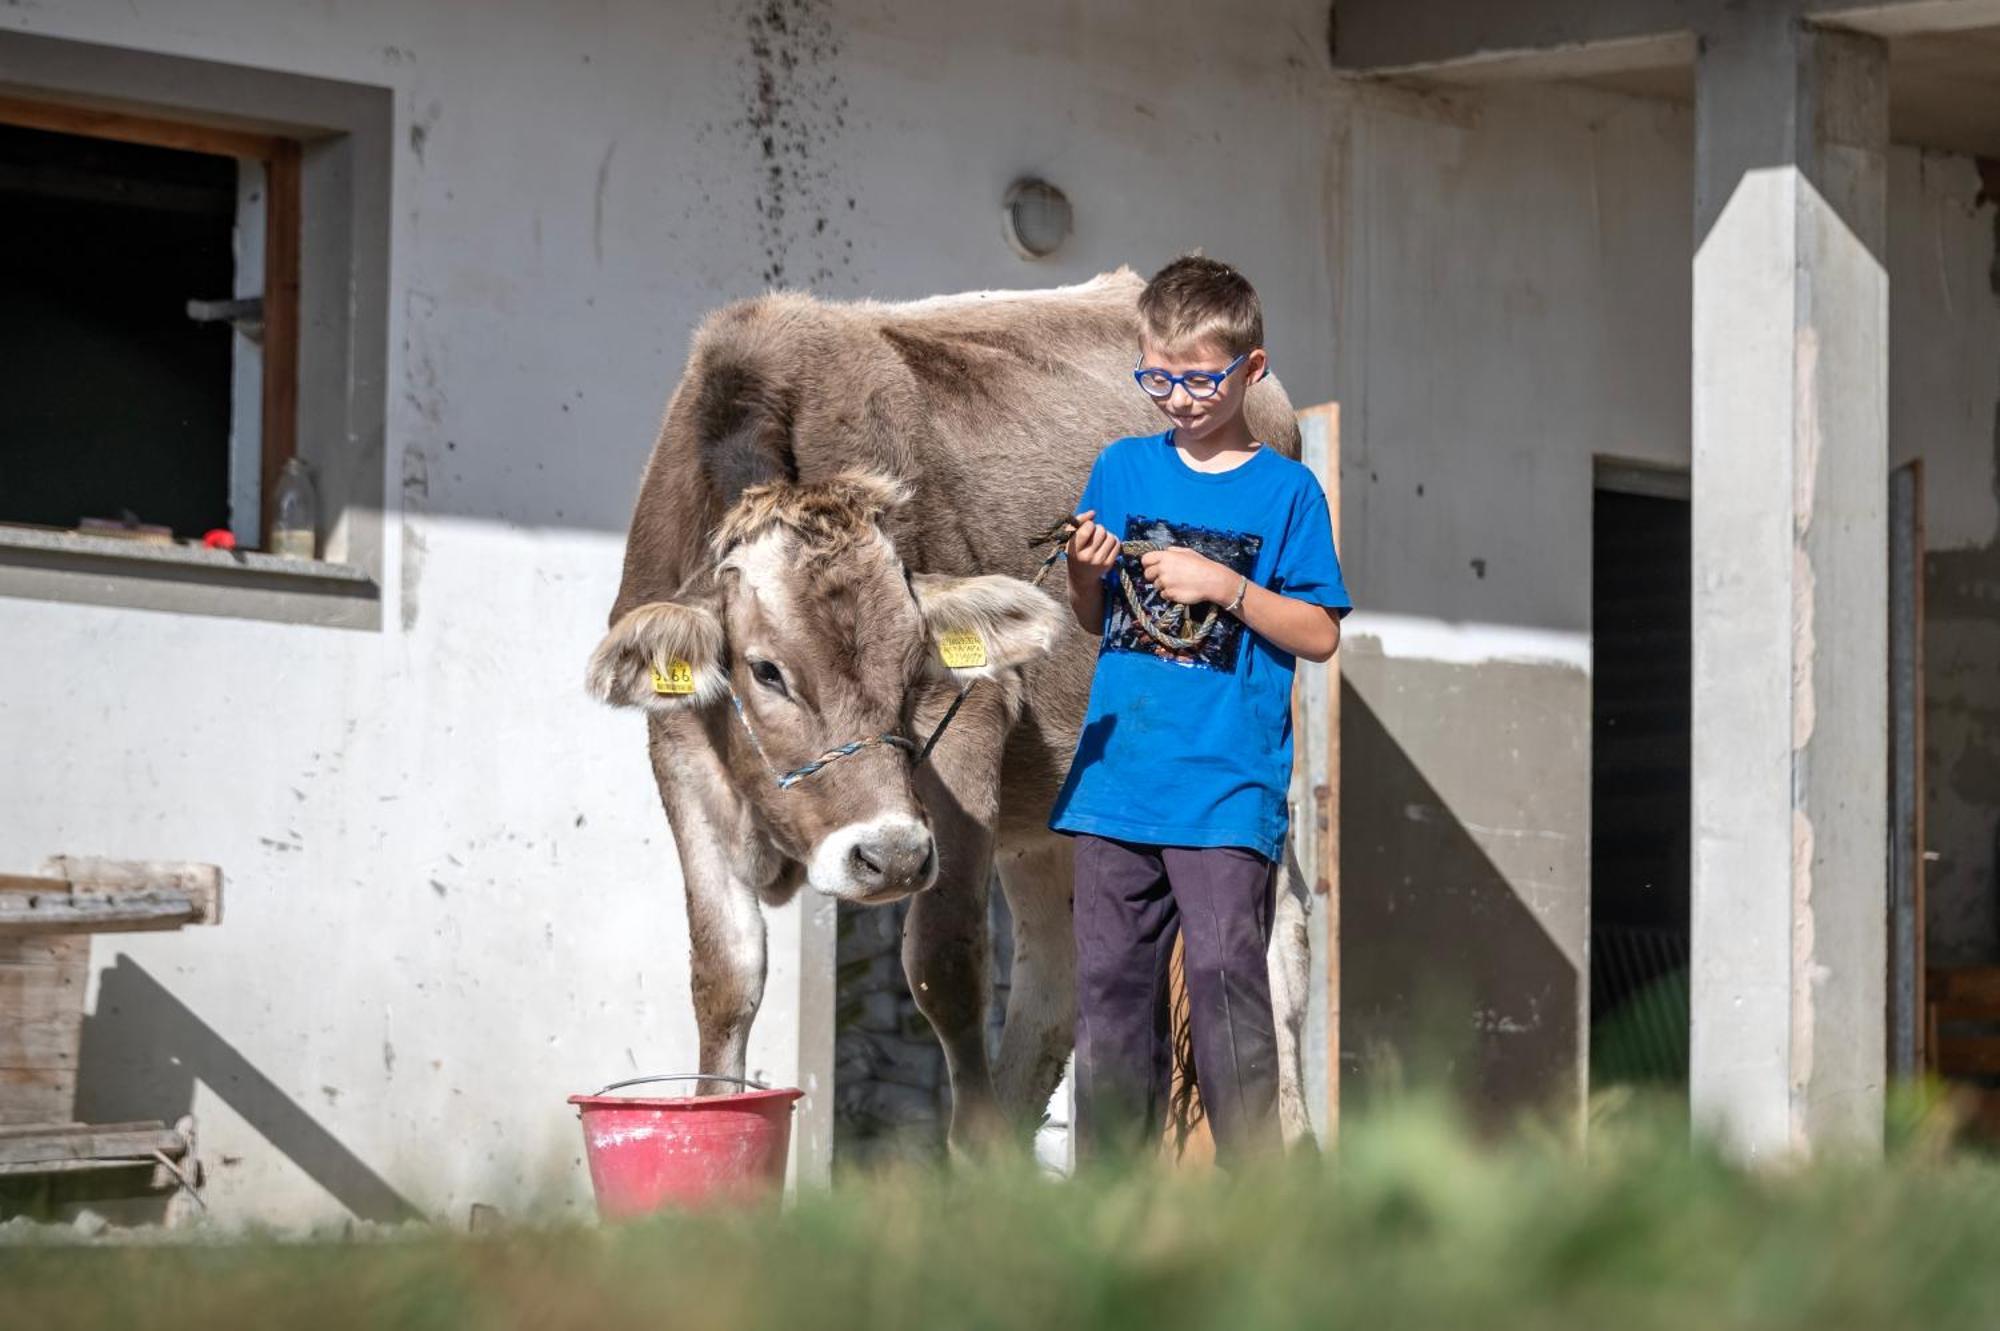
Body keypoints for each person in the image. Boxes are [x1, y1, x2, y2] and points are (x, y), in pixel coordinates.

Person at [1050, 254, 1350, 1165]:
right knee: (1107, 998)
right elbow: (1092, 616)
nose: (1177, 398)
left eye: (1200, 377)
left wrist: (1224, 584)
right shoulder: (1121, 466)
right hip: (1115, 785)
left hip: (1225, 789)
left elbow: (1318, 632)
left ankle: (1253, 1212)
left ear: (1251, 370)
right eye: (1158, 377)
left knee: (1225, 989)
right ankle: (1111, 1218)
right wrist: (1084, 565)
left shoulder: (1287, 491)